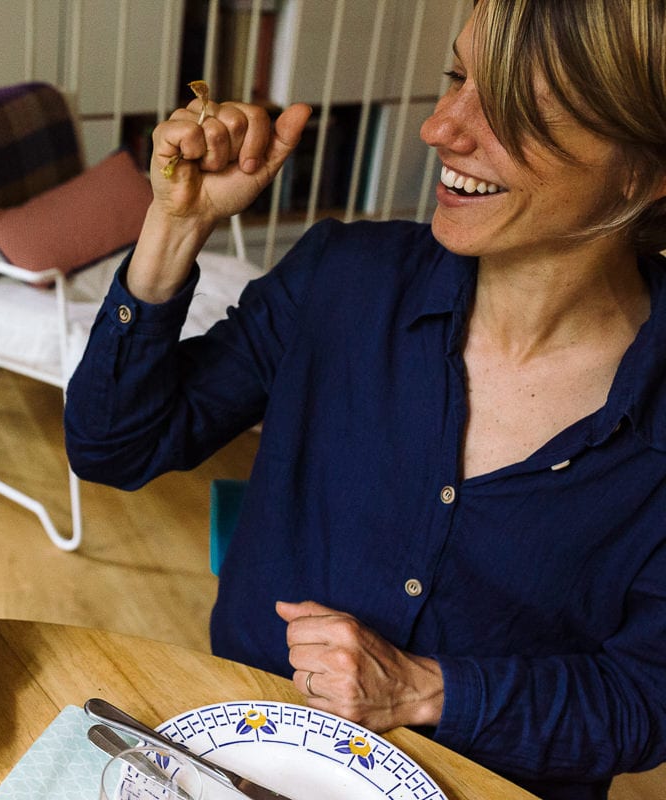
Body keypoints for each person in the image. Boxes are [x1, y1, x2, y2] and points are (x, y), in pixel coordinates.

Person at [63, 1, 666, 798]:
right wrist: (175, 227)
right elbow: (114, 447)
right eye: (457, 77)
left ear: (643, 168)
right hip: (245, 756)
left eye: (515, 107)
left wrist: (422, 688)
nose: (442, 128)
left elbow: (646, 697)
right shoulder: (342, 278)